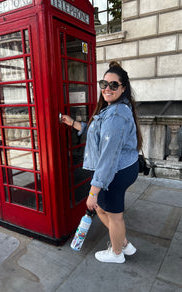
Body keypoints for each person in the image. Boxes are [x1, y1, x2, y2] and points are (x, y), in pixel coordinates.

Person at [61, 61, 143, 263]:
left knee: (114, 215)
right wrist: (72, 123)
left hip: (117, 172)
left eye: (113, 85)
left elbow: (108, 159)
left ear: (123, 88)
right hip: (123, 168)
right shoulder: (113, 108)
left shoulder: (116, 114)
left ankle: (116, 253)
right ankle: (123, 244)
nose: (107, 88)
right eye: (103, 84)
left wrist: (92, 192)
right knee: (102, 209)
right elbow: (99, 134)